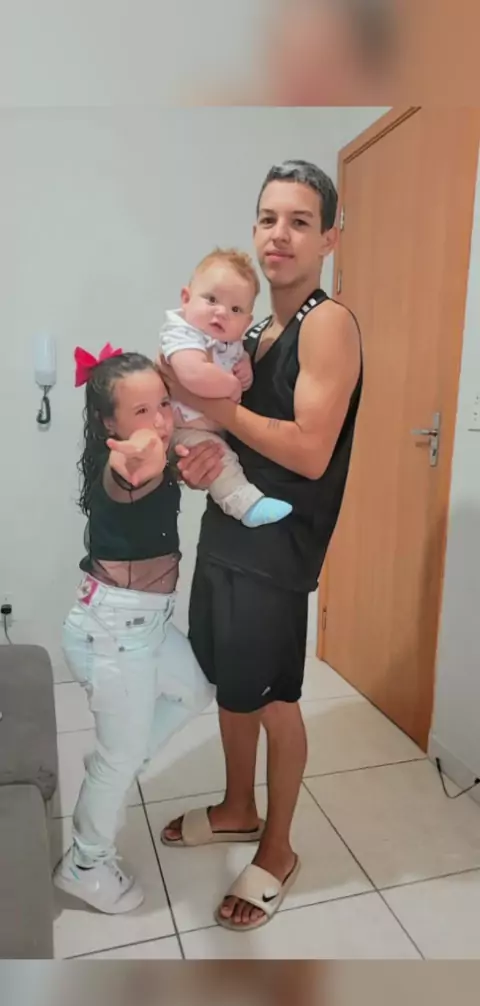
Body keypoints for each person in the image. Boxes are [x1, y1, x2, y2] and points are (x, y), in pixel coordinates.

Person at [161, 160, 363, 931]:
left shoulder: (328, 322)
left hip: (277, 550)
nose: (280, 234)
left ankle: (277, 849)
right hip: (228, 534)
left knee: (275, 696)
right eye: (269, 218)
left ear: (329, 238)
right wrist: (198, 459)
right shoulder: (249, 328)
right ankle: (238, 807)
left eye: (300, 221)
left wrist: (207, 404)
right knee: (232, 684)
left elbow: (309, 452)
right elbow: (229, 440)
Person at [53, 346, 222, 915]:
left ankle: (114, 765)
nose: (160, 422)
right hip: (112, 631)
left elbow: (181, 441)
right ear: (110, 425)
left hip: (145, 625)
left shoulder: (166, 446)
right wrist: (142, 460)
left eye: (164, 405)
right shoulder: (121, 465)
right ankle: (84, 864)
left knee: (195, 690)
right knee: (120, 754)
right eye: (142, 411)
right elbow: (128, 476)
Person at [159, 247, 292, 527]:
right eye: (211, 299)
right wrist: (231, 384)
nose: (221, 312)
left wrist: (244, 369)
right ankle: (245, 505)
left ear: (246, 322)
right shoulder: (183, 333)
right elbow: (192, 374)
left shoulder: (230, 343)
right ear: (186, 299)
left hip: (203, 425)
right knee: (220, 456)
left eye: (235, 310)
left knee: (217, 453)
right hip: (180, 426)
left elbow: (235, 360)